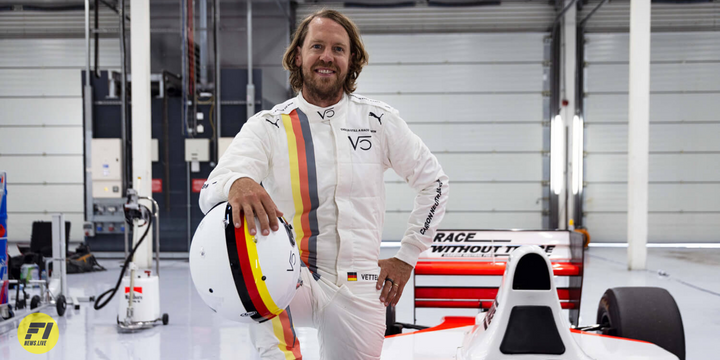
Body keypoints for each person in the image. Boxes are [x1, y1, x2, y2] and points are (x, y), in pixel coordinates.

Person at [199, 9, 449, 360]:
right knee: (259, 282)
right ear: (298, 56)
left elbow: (435, 184)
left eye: (338, 49)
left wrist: (407, 256)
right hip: (288, 274)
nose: (327, 56)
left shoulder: (378, 120)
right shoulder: (268, 125)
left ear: (352, 60)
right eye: (317, 46)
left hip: (361, 283)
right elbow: (212, 188)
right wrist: (238, 182)